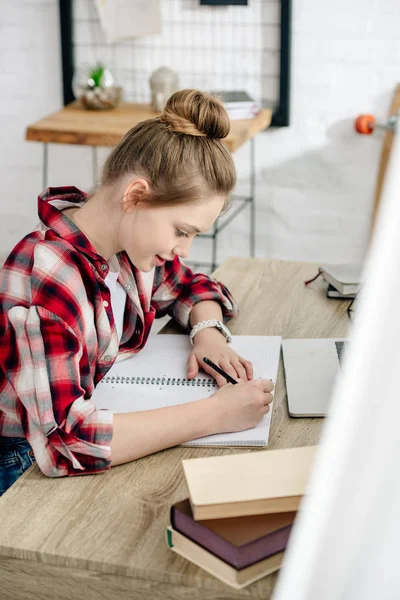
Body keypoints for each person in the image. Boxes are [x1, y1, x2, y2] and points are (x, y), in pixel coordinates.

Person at [0, 89, 273, 495]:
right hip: (24, 468)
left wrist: (208, 332)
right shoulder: (48, 279)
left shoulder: (127, 248)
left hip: (94, 434)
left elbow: (191, 286)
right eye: (182, 231)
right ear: (135, 195)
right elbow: (65, 444)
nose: (183, 249)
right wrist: (216, 414)